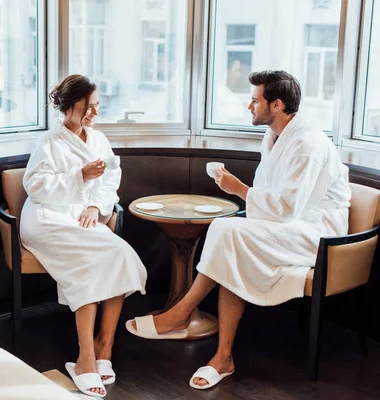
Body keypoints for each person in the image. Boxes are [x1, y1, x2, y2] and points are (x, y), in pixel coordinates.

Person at [126, 70, 351, 390]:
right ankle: (222, 355)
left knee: (228, 234)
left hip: (320, 234)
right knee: (230, 242)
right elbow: (271, 196)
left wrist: (237, 188)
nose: (249, 106)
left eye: (254, 100)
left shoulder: (307, 142)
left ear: (276, 104)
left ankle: (181, 316)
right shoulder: (273, 136)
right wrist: (245, 192)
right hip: (287, 224)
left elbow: (287, 208)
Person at [20, 74, 148, 398]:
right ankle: (85, 358)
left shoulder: (99, 140)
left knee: (119, 254)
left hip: (82, 217)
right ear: (68, 106)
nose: (93, 113)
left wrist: (94, 205)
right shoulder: (48, 142)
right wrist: (79, 176)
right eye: (87, 106)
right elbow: (34, 187)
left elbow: (110, 181)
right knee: (89, 261)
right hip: (47, 218)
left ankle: (105, 346)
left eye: (97, 106)